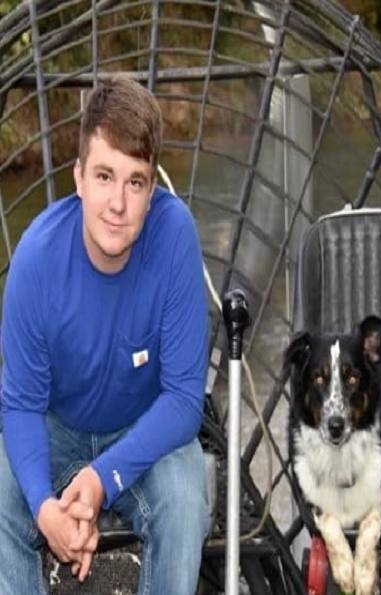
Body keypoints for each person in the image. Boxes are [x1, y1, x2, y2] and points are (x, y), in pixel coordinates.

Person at [0, 76, 210, 594]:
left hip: (145, 430)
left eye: (135, 182)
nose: (117, 202)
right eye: (104, 176)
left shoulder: (175, 236)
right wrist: (45, 509)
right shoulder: (36, 258)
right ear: (78, 178)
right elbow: (21, 404)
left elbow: (184, 400)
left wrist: (100, 479)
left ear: (151, 188)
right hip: (57, 425)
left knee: (186, 500)